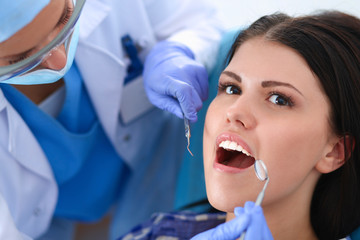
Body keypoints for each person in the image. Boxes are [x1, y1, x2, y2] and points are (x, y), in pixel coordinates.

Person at [119, 10, 360, 240]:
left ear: (335, 151)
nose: (234, 111)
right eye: (232, 88)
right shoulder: (157, 233)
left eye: (279, 99)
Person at [0, 0, 223, 239]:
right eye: (20, 59)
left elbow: (206, 24)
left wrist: (181, 49)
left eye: (64, 18)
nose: (60, 61)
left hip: (158, 172)